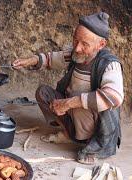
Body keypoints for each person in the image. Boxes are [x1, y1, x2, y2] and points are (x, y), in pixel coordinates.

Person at [12, 12, 124, 164]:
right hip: (73, 110)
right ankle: (68, 133)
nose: (77, 48)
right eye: (75, 40)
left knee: (79, 100)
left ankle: (88, 141)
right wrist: (29, 61)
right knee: (43, 93)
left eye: (85, 44)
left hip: (92, 119)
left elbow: (114, 97)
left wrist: (69, 103)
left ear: (101, 44)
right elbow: (51, 59)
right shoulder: (76, 54)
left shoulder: (109, 64)